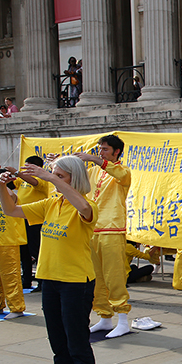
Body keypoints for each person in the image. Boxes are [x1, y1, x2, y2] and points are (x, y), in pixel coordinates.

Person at [0, 155, 99, 364]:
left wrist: (50, 177)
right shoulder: (52, 203)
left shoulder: (86, 206)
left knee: (77, 344)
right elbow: (12, 211)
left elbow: (84, 207)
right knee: (58, 343)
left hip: (76, 282)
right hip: (50, 281)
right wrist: (1, 188)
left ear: (73, 179)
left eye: (60, 176)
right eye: (54, 175)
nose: (52, 179)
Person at [75, 135, 133, 339]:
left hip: (112, 228)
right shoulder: (93, 172)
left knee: (114, 274)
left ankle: (123, 319)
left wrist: (95, 159)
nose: (101, 152)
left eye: (105, 150)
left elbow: (121, 175)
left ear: (116, 152)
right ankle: (105, 316)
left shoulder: (122, 171)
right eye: (100, 149)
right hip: (92, 228)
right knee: (96, 277)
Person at [0, 168, 27, 319]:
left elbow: (8, 194)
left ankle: (16, 308)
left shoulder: (11, 195)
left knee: (10, 276)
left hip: (7, 242)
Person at [7, 155, 50, 290]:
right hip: (22, 219)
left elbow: (34, 182)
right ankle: (26, 281)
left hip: (36, 220)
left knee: (36, 250)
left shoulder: (42, 179)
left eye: (28, 166)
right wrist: (3, 175)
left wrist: (17, 172)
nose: (24, 169)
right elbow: (12, 185)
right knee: (23, 250)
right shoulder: (22, 179)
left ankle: (42, 282)